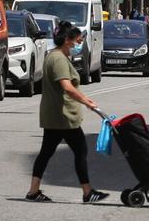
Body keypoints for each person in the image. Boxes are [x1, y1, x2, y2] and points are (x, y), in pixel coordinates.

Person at [25, 21, 109, 204]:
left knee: (46, 153)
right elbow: (67, 87)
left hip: (55, 115)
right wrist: (86, 101)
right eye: (76, 41)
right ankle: (87, 192)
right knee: (80, 150)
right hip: (63, 116)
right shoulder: (58, 59)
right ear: (66, 40)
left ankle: (33, 191)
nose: (78, 44)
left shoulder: (56, 56)